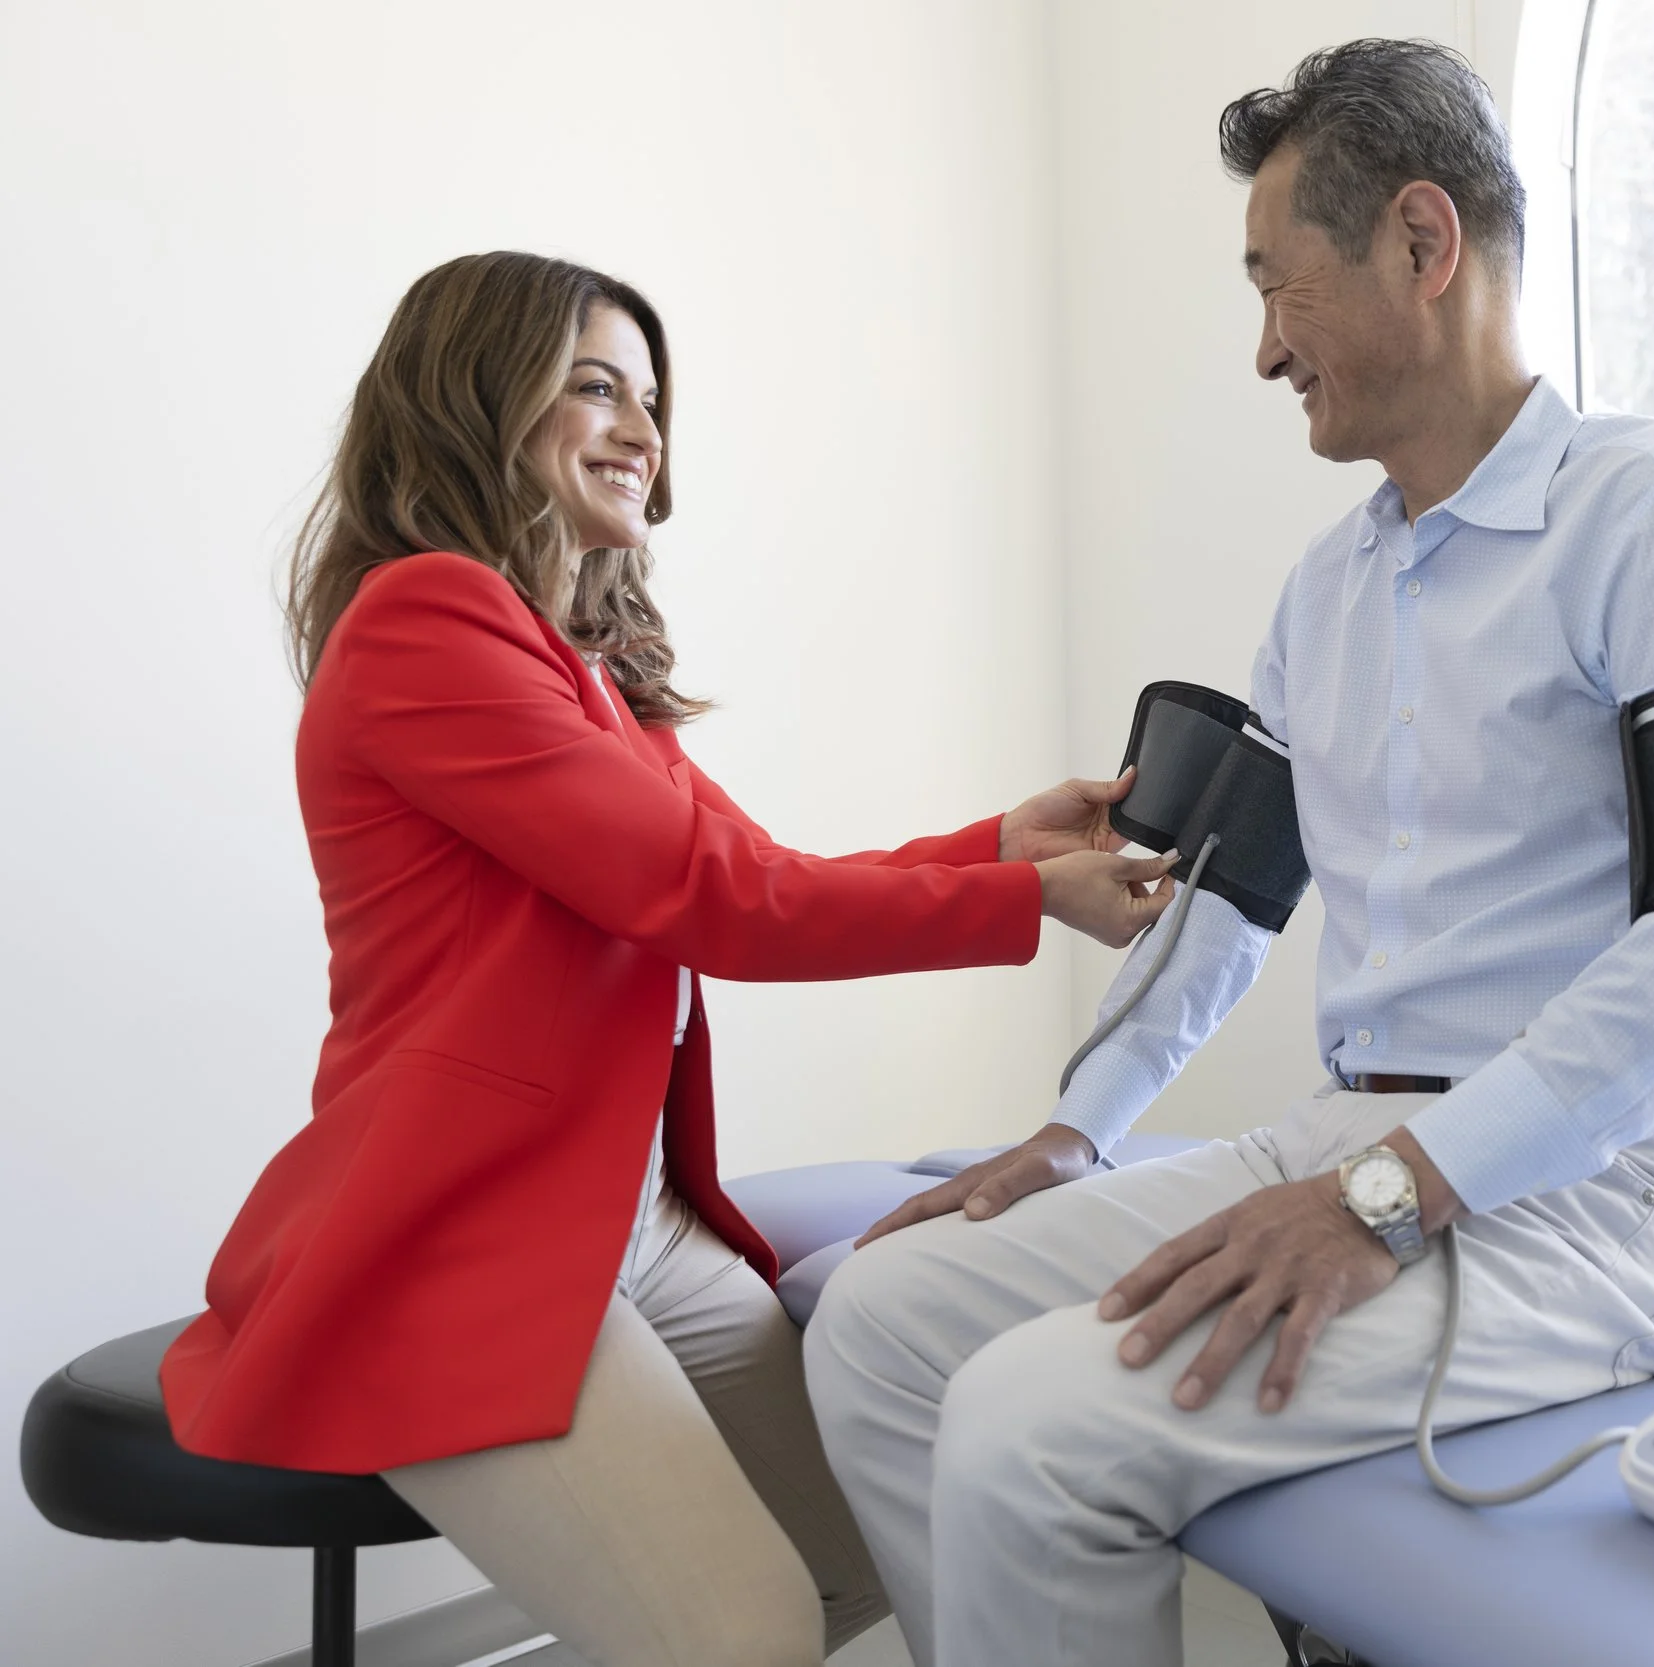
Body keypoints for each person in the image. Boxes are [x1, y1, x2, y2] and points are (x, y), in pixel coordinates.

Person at [803, 37, 1654, 1667]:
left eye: (1276, 287)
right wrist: (1083, 1129)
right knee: (882, 1326)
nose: (1261, 351)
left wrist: (1390, 1192)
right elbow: (1232, 899)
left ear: (1421, 246)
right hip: (1350, 1141)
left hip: (1598, 1200)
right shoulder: (1329, 591)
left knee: (1029, 1415)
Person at [157, 251, 1175, 1667]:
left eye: (651, 396)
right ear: (475, 400)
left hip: (631, 1223)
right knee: (747, 1632)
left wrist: (1003, 847)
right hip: (467, 1236)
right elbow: (721, 899)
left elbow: (758, 872)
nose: (643, 428)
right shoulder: (421, 625)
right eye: (594, 387)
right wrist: (1028, 904)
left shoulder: (580, 671)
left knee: (883, 1534)